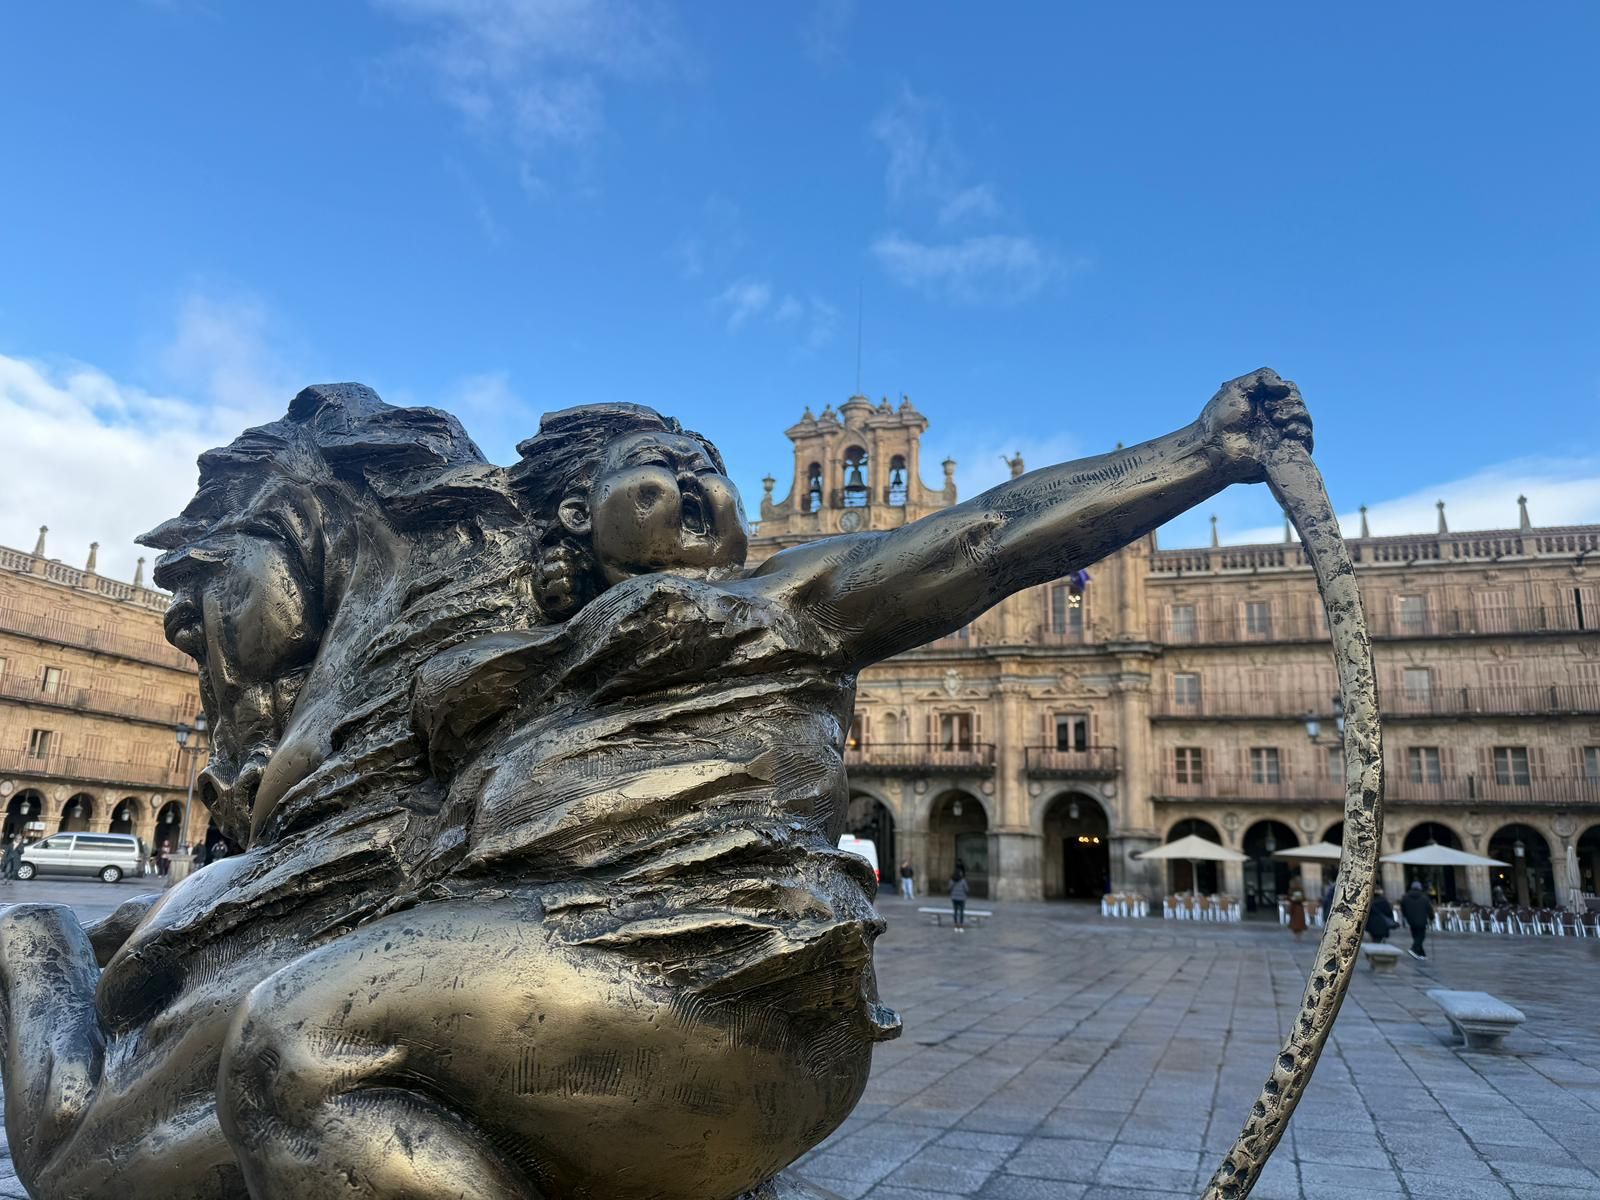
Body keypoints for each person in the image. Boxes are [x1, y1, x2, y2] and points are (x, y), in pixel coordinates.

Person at [1401, 880, 1434, 960]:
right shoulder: (1424, 897)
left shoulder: (1405, 897)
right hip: (1422, 920)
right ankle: (1413, 949)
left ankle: (1422, 954)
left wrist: (1406, 916)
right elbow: (1429, 909)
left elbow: (1403, 909)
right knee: (1421, 936)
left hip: (1411, 920)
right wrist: (1431, 917)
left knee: (1416, 936)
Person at [949, 867, 969, 931]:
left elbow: (949, 888)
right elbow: (966, 889)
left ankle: (955, 924)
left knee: (955, 911)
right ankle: (961, 925)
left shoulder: (952, 880)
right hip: (962, 898)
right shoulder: (963, 881)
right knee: (961, 912)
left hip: (954, 898)